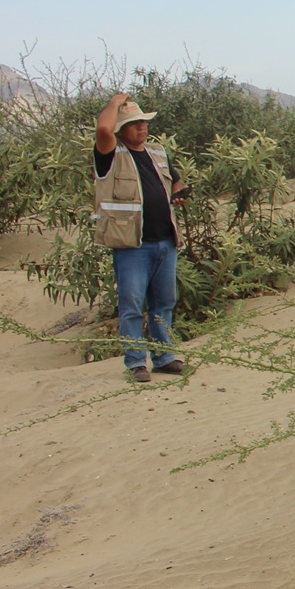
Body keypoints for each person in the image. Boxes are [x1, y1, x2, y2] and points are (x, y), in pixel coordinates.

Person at [93, 93, 190, 383]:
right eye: (134, 124)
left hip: (165, 242)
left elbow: (175, 179)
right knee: (132, 305)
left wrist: (180, 191)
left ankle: (164, 357)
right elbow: (102, 130)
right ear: (121, 130)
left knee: (164, 303)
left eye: (143, 123)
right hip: (132, 245)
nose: (142, 128)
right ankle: (136, 363)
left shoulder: (157, 152)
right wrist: (113, 104)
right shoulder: (110, 154)